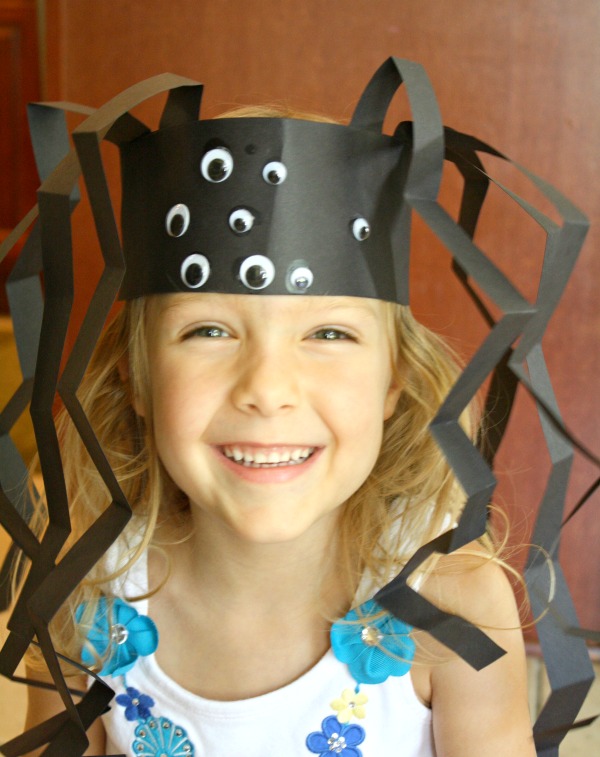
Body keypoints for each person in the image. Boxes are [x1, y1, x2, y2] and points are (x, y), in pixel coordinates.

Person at [6, 57, 583, 756]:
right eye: (208, 330)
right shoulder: (87, 591)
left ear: (394, 378)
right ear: (136, 372)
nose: (268, 387)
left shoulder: (451, 603)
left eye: (328, 332)